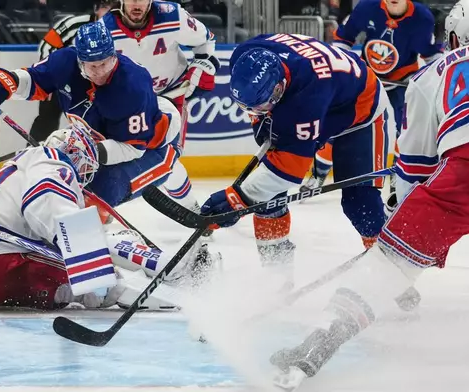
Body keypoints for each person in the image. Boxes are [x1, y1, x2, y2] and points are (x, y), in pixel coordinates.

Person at [269, 1, 469, 388]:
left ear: (455, 36)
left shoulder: (434, 74)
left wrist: (402, 214)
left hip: (460, 178)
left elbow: (414, 167)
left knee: (384, 270)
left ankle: (314, 350)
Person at [200, 33, 391, 289]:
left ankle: (392, 274)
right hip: (326, 95)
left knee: (360, 204)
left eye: (262, 106)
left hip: (361, 114)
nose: (255, 114)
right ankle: (277, 276)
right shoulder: (245, 56)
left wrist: (237, 199)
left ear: (279, 88)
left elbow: (290, 170)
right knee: (267, 196)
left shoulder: (306, 97)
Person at [0, 125, 219, 310]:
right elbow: (47, 205)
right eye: (86, 165)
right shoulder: (51, 162)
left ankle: (164, 269)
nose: (86, 173)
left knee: (89, 250)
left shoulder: (17, 168)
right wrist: (95, 269)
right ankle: (177, 269)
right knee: (101, 270)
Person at [0, 22, 187, 212]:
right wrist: (8, 82)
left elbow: (134, 148)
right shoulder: (66, 62)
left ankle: (92, 241)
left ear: (114, 55)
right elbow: (35, 80)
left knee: (101, 193)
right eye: (93, 66)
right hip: (104, 135)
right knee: (62, 183)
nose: (100, 72)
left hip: (154, 143)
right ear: (80, 61)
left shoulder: (131, 86)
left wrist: (90, 151)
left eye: (105, 63)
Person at [302, 0, 443, 191]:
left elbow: (432, 58)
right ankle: (318, 173)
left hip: (402, 80)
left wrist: (431, 83)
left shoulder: (422, 18)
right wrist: (341, 70)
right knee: (338, 123)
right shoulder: (367, 7)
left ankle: (399, 176)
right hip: (367, 77)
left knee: (407, 131)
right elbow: (343, 40)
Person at [99, 0, 218, 217]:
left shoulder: (173, 16)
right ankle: (100, 205)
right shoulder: (105, 29)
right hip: (132, 105)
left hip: (171, 95)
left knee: (167, 157)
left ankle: (192, 210)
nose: (137, 4)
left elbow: (206, 40)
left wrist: (204, 64)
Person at [30, 0, 118, 143]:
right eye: (105, 8)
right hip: (62, 81)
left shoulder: (114, 29)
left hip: (91, 85)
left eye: (112, 10)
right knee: (48, 115)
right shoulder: (75, 24)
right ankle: (32, 149)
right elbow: (47, 45)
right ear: (96, 8)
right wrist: (48, 78)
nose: (109, 14)